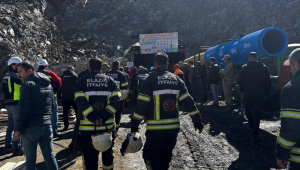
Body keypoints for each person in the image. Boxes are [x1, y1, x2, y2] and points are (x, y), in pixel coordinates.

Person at [130, 52, 204, 169]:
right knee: (165, 159)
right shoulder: (177, 80)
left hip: (155, 130)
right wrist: (197, 121)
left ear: (154, 64)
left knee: (150, 158)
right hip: (172, 129)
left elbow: (141, 106)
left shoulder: (149, 80)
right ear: (167, 64)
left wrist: (134, 125)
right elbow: (189, 102)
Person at [75, 58, 121, 170]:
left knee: (90, 160)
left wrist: (94, 118)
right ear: (101, 68)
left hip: (87, 129)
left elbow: (80, 102)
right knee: (108, 158)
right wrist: (103, 117)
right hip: (107, 127)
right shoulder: (111, 81)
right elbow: (116, 101)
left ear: (89, 67)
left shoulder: (81, 81)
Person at [14, 61, 58, 170]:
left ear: (29, 71)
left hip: (31, 128)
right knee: (50, 157)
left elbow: (23, 110)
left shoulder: (26, 85)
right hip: (46, 126)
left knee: (30, 161)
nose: (18, 74)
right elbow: (52, 106)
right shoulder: (48, 84)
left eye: (20, 71)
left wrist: (18, 130)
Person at [276, 48, 300, 170]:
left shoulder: (292, 88)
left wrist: (281, 154)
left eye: (290, 66)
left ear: (296, 64)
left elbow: (291, 126)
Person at [237, 52, 271, 140]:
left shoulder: (244, 68)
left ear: (249, 58)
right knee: (257, 113)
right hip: (259, 94)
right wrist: (265, 94)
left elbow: (239, 81)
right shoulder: (264, 68)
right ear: (257, 58)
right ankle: (255, 131)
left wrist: (242, 90)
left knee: (248, 110)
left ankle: (251, 125)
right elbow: (268, 82)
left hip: (247, 94)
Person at [2, 57, 23, 155]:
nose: (20, 68)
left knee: (10, 125)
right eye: (18, 66)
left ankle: (8, 145)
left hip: (8, 103)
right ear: (13, 65)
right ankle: (16, 147)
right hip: (15, 103)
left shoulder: (6, 75)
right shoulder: (15, 76)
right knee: (17, 127)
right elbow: (23, 83)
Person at [37, 59, 62, 137]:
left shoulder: (33, 74)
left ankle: (40, 132)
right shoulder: (50, 73)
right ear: (46, 66)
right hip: (51, 97)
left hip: (38, 99)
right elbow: (59, 82)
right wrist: (55, 91)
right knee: (54, 114)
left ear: (38, 66)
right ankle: (53, 131)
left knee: (39, 114)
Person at [106, 61, 129, 133]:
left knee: (108, 111)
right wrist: (124, 98)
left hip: (107, 98)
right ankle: (117, 127)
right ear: (118, 66)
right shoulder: (121, 74)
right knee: (118, 113)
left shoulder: (106, 74)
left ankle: (109, 126)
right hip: (118, 98)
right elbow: (125, 88)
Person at [60, 66, 78, 131]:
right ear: (73, 69)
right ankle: (78, 125)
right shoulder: (74, 75)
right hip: (74, 97)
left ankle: (66, 126)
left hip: (65, 97)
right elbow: (78, 86)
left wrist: (59, 96)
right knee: (77, 111)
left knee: (65, 112)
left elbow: (60, 86)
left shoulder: (62, 76)